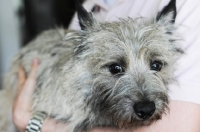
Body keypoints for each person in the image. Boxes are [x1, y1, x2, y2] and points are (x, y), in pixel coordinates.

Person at [13, 0, 200, 131]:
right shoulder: (89, 7)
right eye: (116, 69)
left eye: (156, 66)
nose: (144, 99)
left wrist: (32, 123)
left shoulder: (189, 5)